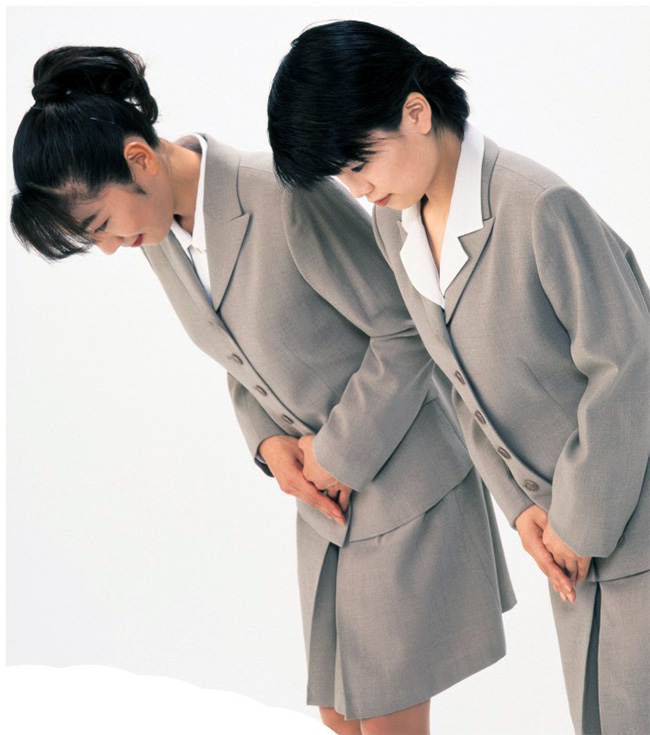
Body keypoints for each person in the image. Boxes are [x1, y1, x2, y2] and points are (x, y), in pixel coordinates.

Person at [10, 46, 519, 735]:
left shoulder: (284, 197)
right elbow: (237, 352)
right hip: (325, 502)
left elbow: (406, 331)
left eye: (99, 224)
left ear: (138, 160)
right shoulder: (157, 235)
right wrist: (269, 445)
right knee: (340, 714)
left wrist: (334, 457)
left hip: (405, 480)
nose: (107, 247)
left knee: (385, 718)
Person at [267, 20, 650, 735]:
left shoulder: (539, 206)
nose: (358, 190)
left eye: (360, 163)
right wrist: (524, 509)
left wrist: (579, 522)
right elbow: (454, 380)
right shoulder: (397, 225)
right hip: (569, 544)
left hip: (627, 523)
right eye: (343, 177)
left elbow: (628, 370)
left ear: (416, 112)